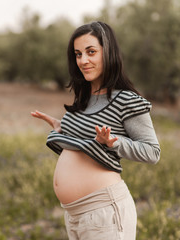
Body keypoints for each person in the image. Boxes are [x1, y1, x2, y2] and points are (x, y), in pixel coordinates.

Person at [31, 21, 160, 240]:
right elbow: (85, 146)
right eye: (78, 54)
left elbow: (152, 153)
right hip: (75, 214)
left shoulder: (127, 100)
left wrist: (114, 142)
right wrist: (62, 130)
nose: (83, 60)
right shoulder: (84, 98)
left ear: (108, 52)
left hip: (104, 212)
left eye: (91, 52)